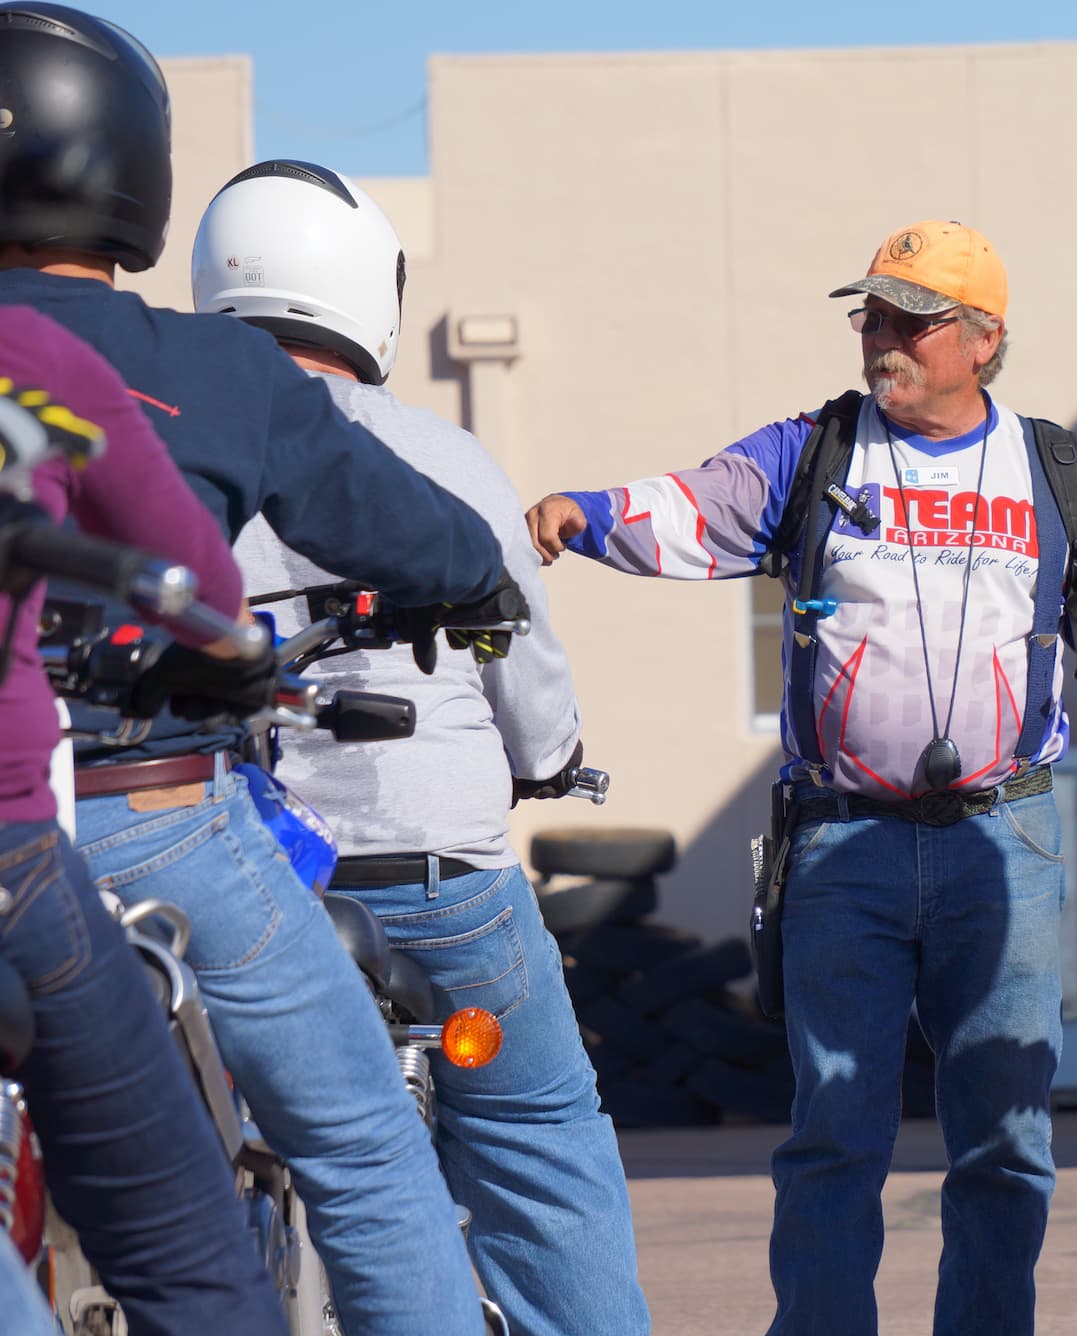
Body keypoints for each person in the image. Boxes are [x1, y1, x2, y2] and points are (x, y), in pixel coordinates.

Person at [525, 218, 1077, 1333]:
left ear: (983, 339)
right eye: (871, 315)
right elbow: (695, 505)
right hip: (841, 844)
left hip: (1006, 842)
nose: (879, 336)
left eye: (909, 318)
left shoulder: (1056, 474)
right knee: (833, 1133)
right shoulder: (815, 451)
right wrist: (591, 514)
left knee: (1004, 1141)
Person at [0, 5, 518, 1328]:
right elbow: (416, 533)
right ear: (126, 158)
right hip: (157, 814)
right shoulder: (205, 366)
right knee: (365, 1151)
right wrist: (473, 581)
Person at [193, 159, 649, 1336]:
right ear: (367, 290)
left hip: (251, 894)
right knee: (539, 1137)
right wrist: (544, 758)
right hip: (442, 880)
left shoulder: (176, 459)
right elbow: (527, 677)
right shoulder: (446, 460)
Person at [0, 304, 283, 1335]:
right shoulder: (27, 359)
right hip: (18, 852)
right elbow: (204, 591)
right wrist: (237, 656)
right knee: (200, 1247)